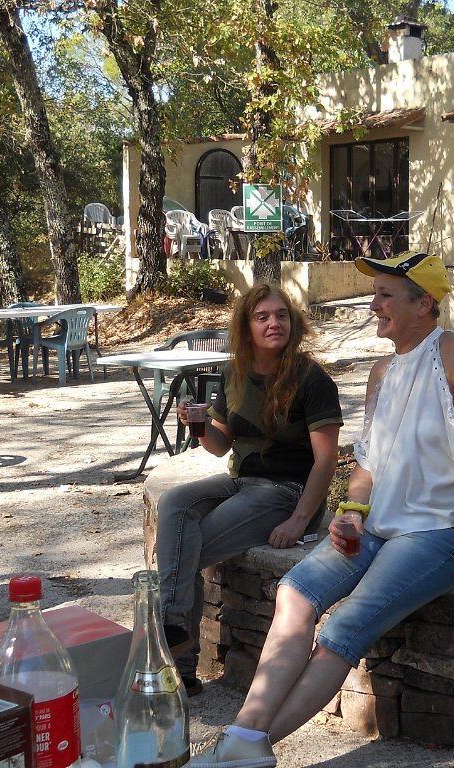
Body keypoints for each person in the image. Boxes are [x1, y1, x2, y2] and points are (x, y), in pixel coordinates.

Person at [191, 252, 454, 767]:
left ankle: (245, 749)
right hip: (374, 526)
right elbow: (368, 463)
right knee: (293, 593)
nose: (374, 305)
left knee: (342, 630)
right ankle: (243, 738)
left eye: (385, 295)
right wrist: (351, 511)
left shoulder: (453, 350)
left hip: (439, 531)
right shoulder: (381, 371)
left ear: (424, 303)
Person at [155, 283, 342, 696]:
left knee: (185, 549)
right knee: (174, 503)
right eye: (263, 317)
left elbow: (326, 460)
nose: (274, 323)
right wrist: (197, 426)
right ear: (246, 327)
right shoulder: (234, 374)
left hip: (287, 492)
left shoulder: (311, 378)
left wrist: (298, 521)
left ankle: (174, 656)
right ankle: (175, 641)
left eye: (281, 315)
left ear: (293, 323)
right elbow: (221, 445)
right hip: (242, 481)